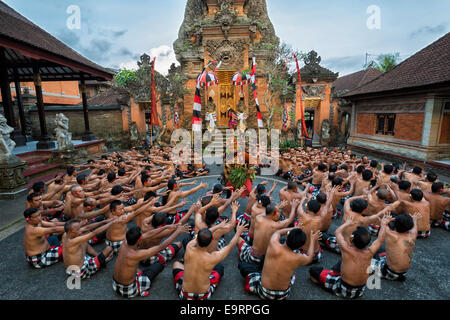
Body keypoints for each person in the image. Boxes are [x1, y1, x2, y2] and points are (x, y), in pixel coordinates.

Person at [309, 213, 391, 299]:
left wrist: (347, 223)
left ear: (351, 239)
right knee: (342, 263)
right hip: (360, 291)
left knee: (313, 271)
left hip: (344, 289)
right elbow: (380, 239)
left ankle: (328, 287)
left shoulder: (346, 249)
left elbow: (337, 232)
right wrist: (384, 224)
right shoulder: (370, 252)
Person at [238, 228, 321, 300]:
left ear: (287, 237)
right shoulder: (299, 258)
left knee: (243, 265)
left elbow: (278, 232)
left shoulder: (274, 244)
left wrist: (292, 229)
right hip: (283, 295)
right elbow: (310, 257)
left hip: (264, 292)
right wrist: (313, 240)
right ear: (300, 247)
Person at [172, 221, 248, 300]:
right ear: (209, 243)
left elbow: (199, 236)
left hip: (185, 295)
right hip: (203, 296)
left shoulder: (189, 247)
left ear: (197, 240)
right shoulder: (213, 257)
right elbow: (230, 246)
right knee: (219, 268)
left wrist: (217, 226)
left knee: (176, 264)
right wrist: (238, 232)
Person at [113, 224, 190, 298]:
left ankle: (137, 276)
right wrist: (177, 232)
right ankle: (140, 290)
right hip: (128, 290)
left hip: (115, 285)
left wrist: (165, 227)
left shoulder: (124, 243)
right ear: (139, 240)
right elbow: (161, 247)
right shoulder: (136, 254)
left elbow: (148, 234)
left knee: (135, 268)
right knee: (159, 265)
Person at [238, 200, 298, 266]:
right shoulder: (276, 225)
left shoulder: (258, 218)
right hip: (264, 258)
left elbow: (267, 213)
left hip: (252, 253)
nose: (280, 214)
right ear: (274, 213)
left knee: (238, 239)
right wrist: (293, 207)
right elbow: (290, 219)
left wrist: (277, 208)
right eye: (279, 212)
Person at [371, 212, 420, 281]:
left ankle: (382, 273)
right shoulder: (413, 235)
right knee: (380, 250)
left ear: (395, 224)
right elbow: (414, 227)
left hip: (390, 272)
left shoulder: (392, 235)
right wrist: (414, 219)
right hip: (403, 273)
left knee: (366, 259)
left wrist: (384, 222)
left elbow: (382, 232)